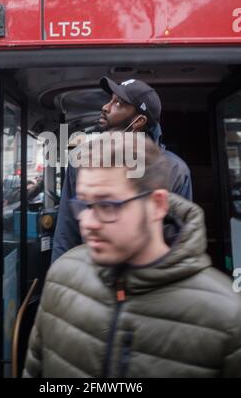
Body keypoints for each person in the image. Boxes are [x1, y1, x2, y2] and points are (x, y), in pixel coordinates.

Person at [23, 134, 241, 378]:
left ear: (157, 205)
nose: (87, 222)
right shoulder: (62, 277)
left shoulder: (227, 318)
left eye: (107, 205)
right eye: (83, 204)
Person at [51, 77, 192, 262]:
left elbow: (179, 239)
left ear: (138, 121)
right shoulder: (82, 160)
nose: (106, 107)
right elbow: (67, 230)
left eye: (118, 103)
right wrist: (61, 277)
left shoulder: (175, 170)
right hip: (93, 274)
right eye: (110, 99)